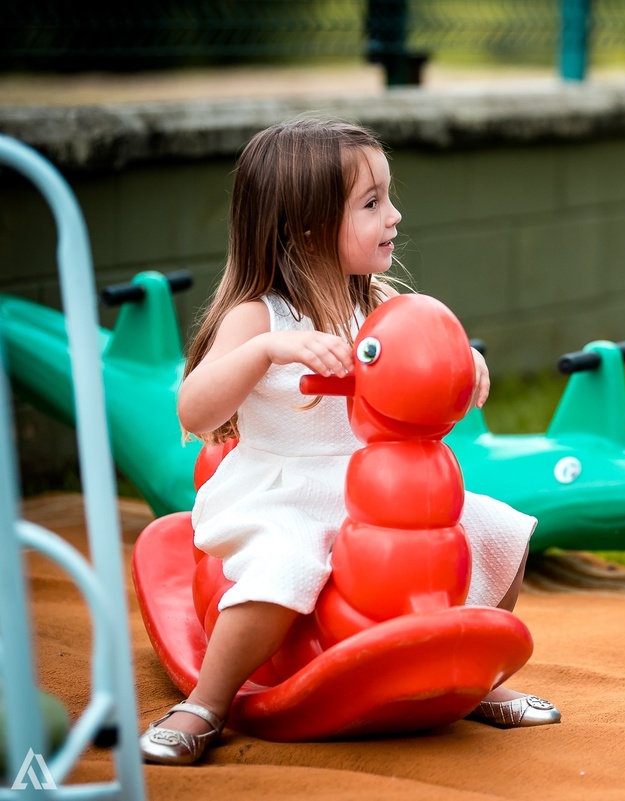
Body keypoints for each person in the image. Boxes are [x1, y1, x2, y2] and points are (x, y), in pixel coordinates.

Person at [139, 118, 559, 766]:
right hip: (279, 490)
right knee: (288, 557)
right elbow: (194, 408)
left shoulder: (380, 304)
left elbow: (418, 383)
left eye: (387, 196)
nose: (394, 215)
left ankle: (472, 678)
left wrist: (463, 366)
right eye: (371, 203)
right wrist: (264, 350)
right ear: (304, 225)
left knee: (498, 528)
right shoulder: (260, 313)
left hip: (369, 489)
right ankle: (208, 701)